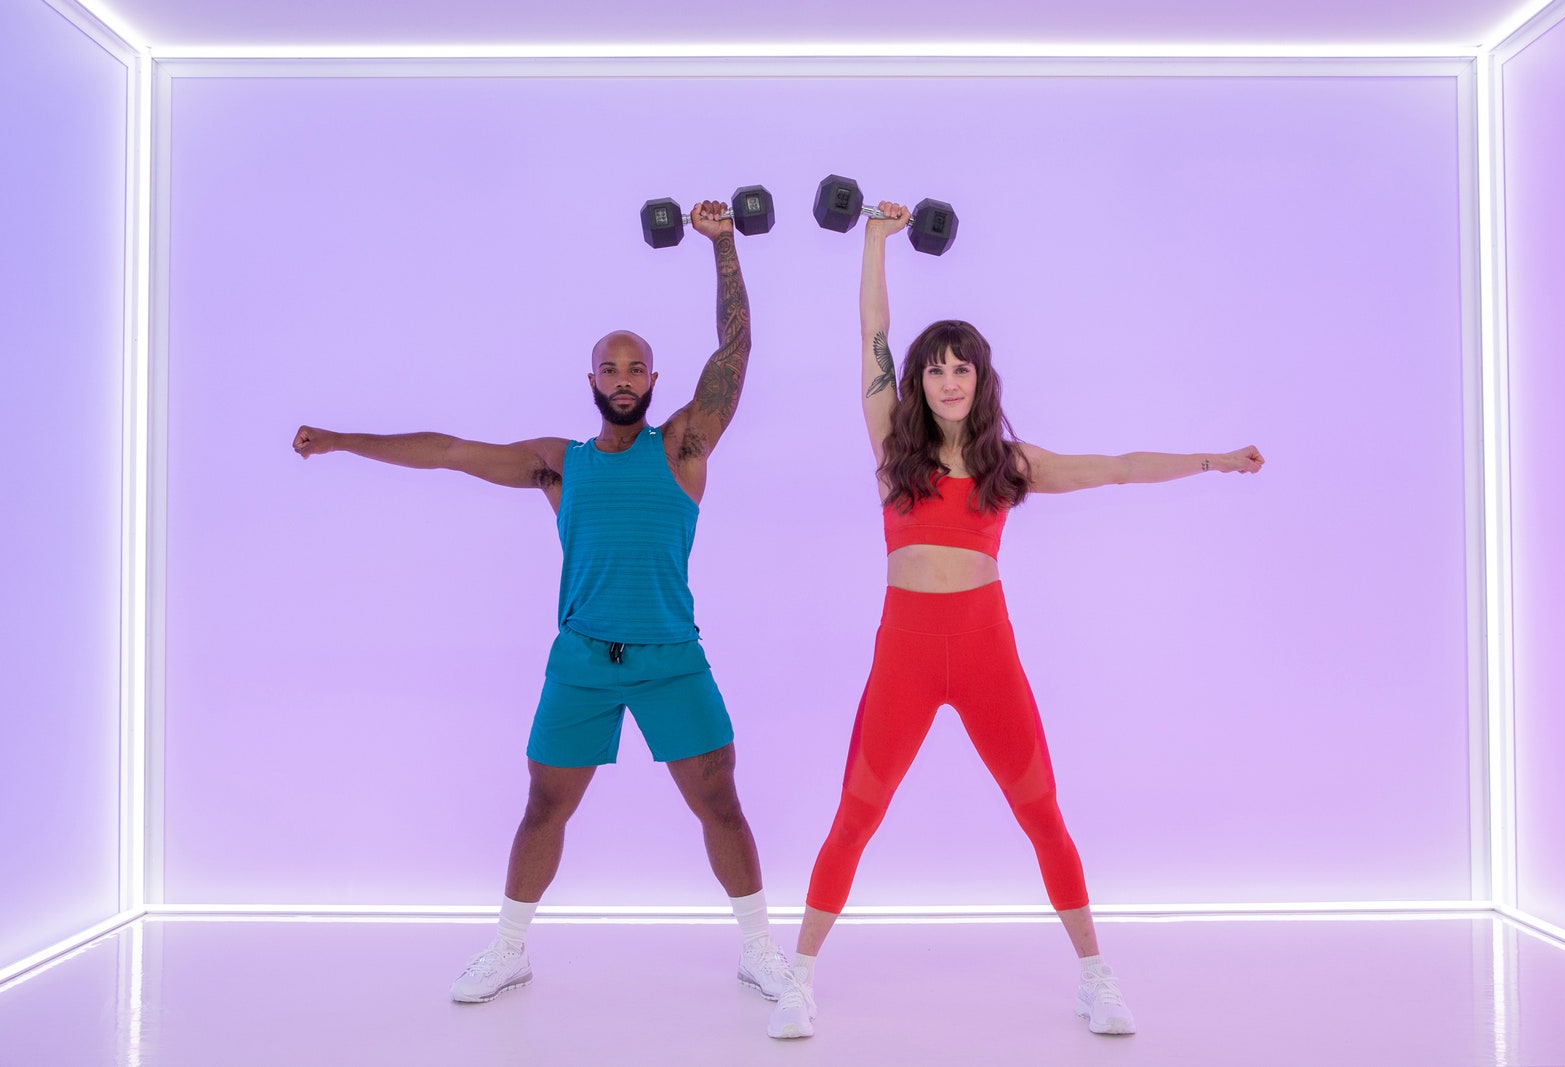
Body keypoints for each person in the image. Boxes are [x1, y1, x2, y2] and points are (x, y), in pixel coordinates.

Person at [767, 202, 1266, 1040]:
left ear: (981, 379)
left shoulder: (1013, 464)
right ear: (919, 380)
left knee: (1042, 812)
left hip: (987, 650)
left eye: (963, 368)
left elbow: (1117, 468)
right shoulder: (892, 442)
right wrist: (875, 242)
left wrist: (1212, 459)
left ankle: (1095, 974)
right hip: (906, 655)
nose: (949, 380)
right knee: (856, 811)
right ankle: (801, 975)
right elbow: (872, 335)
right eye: (936, 369)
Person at [292, 200, 791, 1006]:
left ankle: (760, 949)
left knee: (720, 801)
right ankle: (510, 948)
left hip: (672, 657)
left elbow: (735, 349)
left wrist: (723, 245)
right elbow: (450, 452)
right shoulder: (557, 465)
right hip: (583, 659)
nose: (624, 379)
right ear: (591, 380)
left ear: (653, 382)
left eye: (637, 369)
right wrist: (345, 439)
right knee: (543, 806)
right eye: (611, 368)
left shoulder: (684, 443)